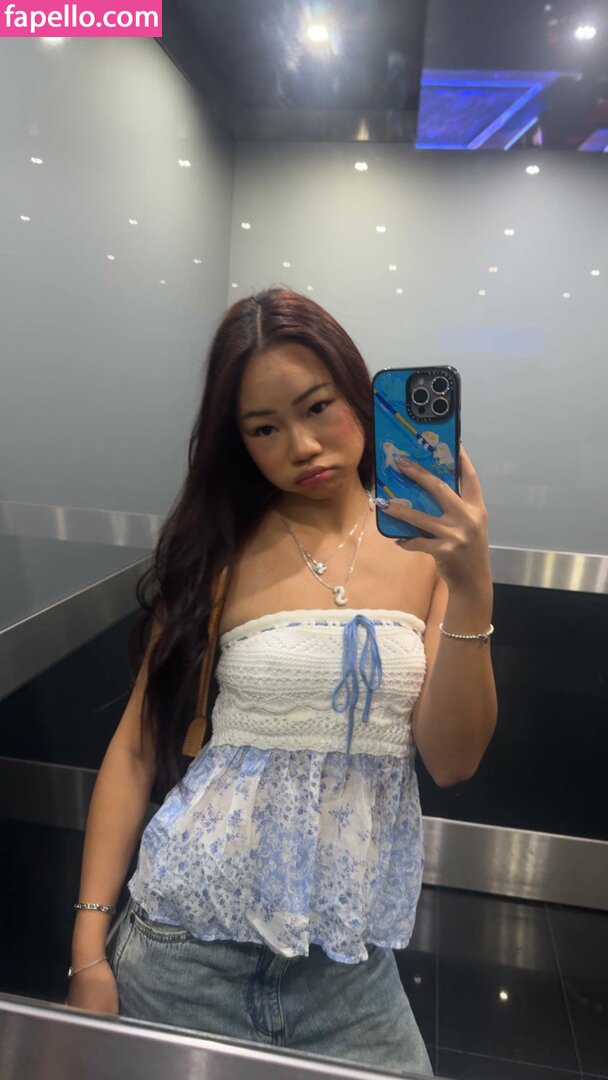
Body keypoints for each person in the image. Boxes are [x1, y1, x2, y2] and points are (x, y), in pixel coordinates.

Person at [67, 287, 497, 1074]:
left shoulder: (431, 555)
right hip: (185, 952)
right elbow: (135, 749)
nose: (301, 446)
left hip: (346, 971)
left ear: (360, 394)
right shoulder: (220, 548)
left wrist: (472, 588)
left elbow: (453, 759)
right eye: (264, 428)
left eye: (317, 407)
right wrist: (88, 949)